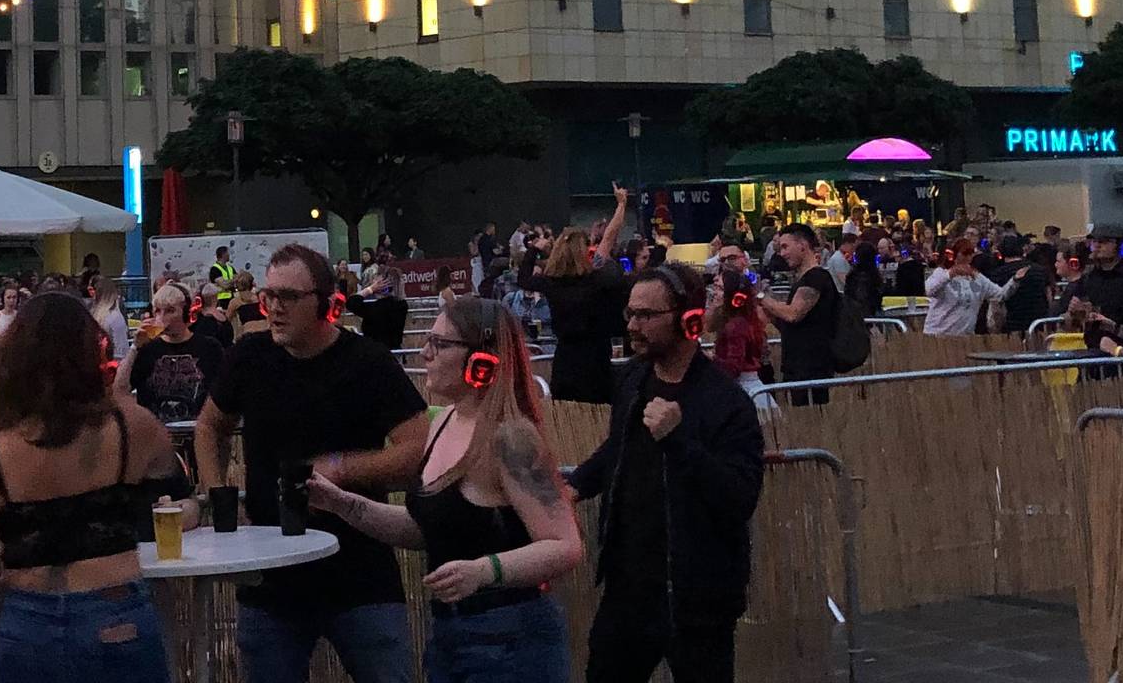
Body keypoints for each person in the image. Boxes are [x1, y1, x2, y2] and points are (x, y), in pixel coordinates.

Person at [306, 296, 584, 683]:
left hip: (512, 640)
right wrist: (344, 505)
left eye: (440, 344)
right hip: (452, 636)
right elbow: (427, 528)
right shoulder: (442, 423)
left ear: (480, 361)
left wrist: (484, 571)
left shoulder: (511, 437)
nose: (425, 352)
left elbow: (564, 546)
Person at [197, 245, 429, 683]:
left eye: (288, 297)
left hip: (359, 569)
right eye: (268, 297)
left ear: (323, 301)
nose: (275, 309)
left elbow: (416, 451)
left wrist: (341, 469)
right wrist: (218, 493)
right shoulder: (250, 356)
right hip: (271, 573)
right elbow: (210, 426)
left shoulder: (367, 362)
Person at [0, 294, 186, 681]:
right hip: (115, 614)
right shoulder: (132, 428)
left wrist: (9, 594)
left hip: (28, 626)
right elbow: (180, 497)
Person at [569, 265, 766, 682]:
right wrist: (576, 484)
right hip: (628, 587)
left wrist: (678, 441)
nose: (632, 326)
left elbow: (739, 497)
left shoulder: (726, 403)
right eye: (630, 314)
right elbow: (620, 448)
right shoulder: (632, 380)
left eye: (645, 316)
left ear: (687, 319)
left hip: (698, 597)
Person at [521, 187, 631, 405]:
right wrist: (621, 205)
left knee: (567, 421)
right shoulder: (596, 278)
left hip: (565, 360)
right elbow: (609, 238)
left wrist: (534, 249)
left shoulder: (552, 283)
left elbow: (523, 278)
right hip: (596, 360)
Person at [124, 281, 225, 431]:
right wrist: (134, 348)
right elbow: (120, 390)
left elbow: (223, 393)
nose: (162, 317)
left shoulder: (209, 347)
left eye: (170, 311)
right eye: (157, 311)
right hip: (156, 436)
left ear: (186, 313)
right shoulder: (147, 350)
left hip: (197, 432)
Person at [758, 223, 840, 403]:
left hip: (812, 369)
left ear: (802, 245)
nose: (782, 253)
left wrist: (760, 296)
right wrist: (770, 314)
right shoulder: (804, 280)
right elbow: (791, 323)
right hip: (797, 368)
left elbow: (793, 314)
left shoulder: (816, 277)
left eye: (785, 247)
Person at [709, 271, 771, 406]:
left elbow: (733, 367)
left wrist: (709, 359)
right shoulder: (741, 321)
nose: (714, 293)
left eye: (719, 288)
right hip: (747, 388)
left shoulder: (735, 325)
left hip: (745, 391)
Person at [1071, 225, 1123, 340]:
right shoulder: (1088, 277)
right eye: (1094, 241)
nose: (1097, 245)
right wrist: (1077, 313)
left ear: (1118, 245)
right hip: (1092, 344)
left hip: (1121, 347)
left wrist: (1111, 326)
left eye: (1104, 241)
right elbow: (1072, 320)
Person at [922, 249, 1012, 337]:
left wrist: (1015, 280)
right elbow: (928, 290)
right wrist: (949, 275)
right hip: (936, 337)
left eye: (969, 255)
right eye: (964, 255)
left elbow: (1001, 294)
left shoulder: (979, 279)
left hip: (964, 338)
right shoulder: (941, 273)